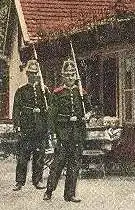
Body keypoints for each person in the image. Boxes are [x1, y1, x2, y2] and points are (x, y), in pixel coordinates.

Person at [43, 59, 88, 203]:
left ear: (76, 75)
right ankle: (49, 191)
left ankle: (70, 194)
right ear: (63, 76)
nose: (70, 77)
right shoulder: (57, 93)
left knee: (74, 165)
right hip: (63, 133)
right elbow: (51, 116)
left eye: (72, 74)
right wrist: (53, 135)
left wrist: (85, 112)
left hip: (77, 133)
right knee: (57, 164)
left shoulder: (80, 92)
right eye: (67, 74)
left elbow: (89, 109)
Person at [12, 59, 51, 191]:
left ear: (38, 74)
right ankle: (19, 182)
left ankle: (37, 180)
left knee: (39, 155)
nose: (33, 75)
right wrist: (17, 125)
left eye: (35, 73)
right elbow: (16, 109)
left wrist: (46, 112)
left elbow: (50, 108)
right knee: (23, 156)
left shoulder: (44, 91)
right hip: (26, 127)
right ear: (27, 74)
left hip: (40, 127)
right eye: (31, 73)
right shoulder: (21, 90)